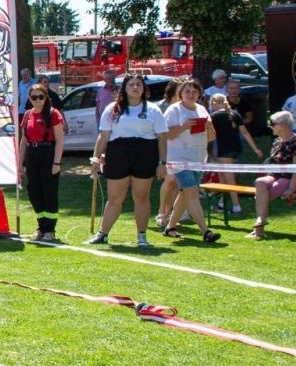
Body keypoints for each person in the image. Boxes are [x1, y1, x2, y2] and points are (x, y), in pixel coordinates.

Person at [88, 74, 165, 247]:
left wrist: (163, 163)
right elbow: (103, 136)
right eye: (131, 84)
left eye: (139, 84)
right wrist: (95, 159)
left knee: (141, 197)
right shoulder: (112, 109)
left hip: (145, 154)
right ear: (125, 88)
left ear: (144, 88)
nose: (135, 87)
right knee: (115, 198)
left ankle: (142, 236)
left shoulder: (153, 110)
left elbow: (162, 138)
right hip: (118, 153)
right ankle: (103, 234)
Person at [159, 78, 219, 243]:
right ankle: (205, 231)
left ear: (199, 94)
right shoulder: (174, 110)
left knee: (185, 194)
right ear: (180, 93)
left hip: (198, 158)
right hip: (179, 158)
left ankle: (170, 227)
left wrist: (209, 127)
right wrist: (184, 126)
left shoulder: (202, 110)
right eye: (187, 91)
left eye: (194, 91)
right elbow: (166, 134)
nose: (191, 94)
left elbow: (211, 138)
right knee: (192, 192)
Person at [245, 112, 296, 240]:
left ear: (283, 126)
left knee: (265, 194)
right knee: (260, 182)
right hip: (276, 176)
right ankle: (261, 222)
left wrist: (291, 189)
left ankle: (259, 228)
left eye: (273, 124)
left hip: (293, 180)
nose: (270, 126)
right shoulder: (276, 142)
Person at [17, 82, 66, 242]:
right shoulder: (27, 115)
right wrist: (20, 164)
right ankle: (41, 226)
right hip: (32, 154)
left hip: (48, 153)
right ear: (30, 99)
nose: (37, 100)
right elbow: (24, 140)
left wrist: (56, 163)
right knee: (34, 191)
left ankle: (50, 229)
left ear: (46, 97)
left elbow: (59, 140)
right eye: (34, 97)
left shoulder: (53, 114)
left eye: (41, 97)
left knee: (49, 191)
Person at [207, 92, 262, 214]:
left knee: (229, 179)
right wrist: (255, 148)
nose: (211, 107)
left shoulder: (214, 116)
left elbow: (209, 135)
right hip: (236, 148)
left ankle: (237, 206)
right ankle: (222, 203)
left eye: (212, 104)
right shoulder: (235, 114)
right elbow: (245, 133)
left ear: (215, 103)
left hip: (223, 150)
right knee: (223, 177)